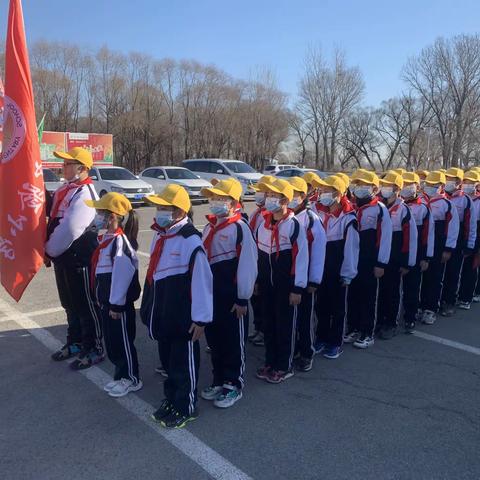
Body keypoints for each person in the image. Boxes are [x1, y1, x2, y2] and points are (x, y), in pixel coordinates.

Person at [141, 184, 213, 429]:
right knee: (169, 364)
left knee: (184, 364)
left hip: (184, 318)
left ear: (179, 212)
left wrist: (201, 319)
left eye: (164, 208)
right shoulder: (161, 235)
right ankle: (171, 399)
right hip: (164, 315)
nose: (159, 211)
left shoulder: (190, 240)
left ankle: (186, 405)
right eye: (158, 207)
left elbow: (202, 279)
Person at [200, 178, 258, 408]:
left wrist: (242, 297)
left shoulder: (239, 228)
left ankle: (233, 383)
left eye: (221, 199)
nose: (215, 202)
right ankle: (218, 379)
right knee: (215, 340)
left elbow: (247, 265)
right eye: (213, 198)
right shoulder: (209, 226)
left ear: (234, 203)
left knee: (233, 341)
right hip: (211, 296)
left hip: (232, 298)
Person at [46, 147, 104, 370]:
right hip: (64, 259)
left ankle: (95, 347)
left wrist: (49, 249)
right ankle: (75, 342)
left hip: (80, 259)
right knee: (69, 304)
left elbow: (70, 229)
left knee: (86, 306)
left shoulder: (85, 194)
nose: (63, 166)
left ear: (82, 168)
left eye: (68, 163)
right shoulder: (66, 190)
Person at [86, 192, 142, 397]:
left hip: (118, 306)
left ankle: (131, 378)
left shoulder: (120, 242)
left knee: (123, 341)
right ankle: (120, 375)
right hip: (107, 304)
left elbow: (123, 275)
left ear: (112, 217)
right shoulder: (107, 240)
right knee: (113, 341)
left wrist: (117, 305)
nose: (96, 216)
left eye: (100, 212)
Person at [255, 178, 308, 383]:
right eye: (268, 195)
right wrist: (258, 281)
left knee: (284, 325)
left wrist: (297, 287)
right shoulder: (264, 225)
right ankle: (270, 361)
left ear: (286, 200)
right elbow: (260, 256)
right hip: (267, 285)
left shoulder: (294, 226)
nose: (269, 199)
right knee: (269, 324)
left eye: (274, 196)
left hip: (286, 286)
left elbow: (301, 258)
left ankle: (284, 365)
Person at [312, 175, 359, 358]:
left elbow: (351, 249)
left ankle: (335, 342)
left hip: (337, 269)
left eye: (327, 191)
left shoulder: (348, 218)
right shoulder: (318, 211)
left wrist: (347, 273)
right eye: (322, 191)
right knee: (321, 306)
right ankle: (321, 337)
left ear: (339, 194)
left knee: (337, 308)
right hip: (320, 268)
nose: (323, 194)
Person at [345, 170, 392, 348]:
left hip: (370, 261)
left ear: (374, 188)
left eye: (364, 185)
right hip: (353, 260)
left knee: (368, 297)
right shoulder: (353, 207)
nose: (360, 189)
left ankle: (367, 332)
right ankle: (354, 327)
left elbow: (385, 238)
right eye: (357, 185)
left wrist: (381, 263)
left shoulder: (380, 209)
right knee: (354, 295)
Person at [288, 176, 326, 371]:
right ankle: (293, 348)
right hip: (289, 277)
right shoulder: (287, 216)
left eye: (294, 194)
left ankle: (306, 352)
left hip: (305, 279)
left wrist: (314, 280)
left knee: (304, 318)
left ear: (303, 196)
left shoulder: (311, 219)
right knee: (291, 318)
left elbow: (318, 251)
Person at [376, 171, 417, 339]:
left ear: (397, 189)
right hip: (380, 257)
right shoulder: (379, 206)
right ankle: (379, 320)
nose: (384, 189)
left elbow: (410, 238)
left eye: (388, 186)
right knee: (381, 291)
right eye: (383, 185)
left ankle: (391, 322)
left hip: (395, 259)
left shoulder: (403, 210)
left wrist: (407, 263)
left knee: (392, 291)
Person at [420, 171, 459, 325]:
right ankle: (421, 305)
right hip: (423, 246)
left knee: (435, 277)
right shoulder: (421, 201)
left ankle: (431, 308)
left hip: (438, 246)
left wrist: (448, 249)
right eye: (428, 184)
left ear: (441, 187)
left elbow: (453, 228)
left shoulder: (447, 204)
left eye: (433, 185)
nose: (429, 187)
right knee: (421, 278)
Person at [400, 172, 434, 333]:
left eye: (410, 184)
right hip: (398, 253)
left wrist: (426, 257)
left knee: (412, 287)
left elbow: (428, 233)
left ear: (417, 187)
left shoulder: (423, 208)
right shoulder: (396, 207)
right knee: (393, 288)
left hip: (416, 253)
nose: (407, 187)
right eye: (404, 183)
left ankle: (410, 317)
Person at [440, 168, 477, 316]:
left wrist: (469, 245)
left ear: (458, 182)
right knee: (438, 274)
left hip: (459, 242)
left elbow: (471, 224)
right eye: (447, 178)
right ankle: (436, 300)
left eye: (452, 179)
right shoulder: (441, 197)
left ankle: (449, 301)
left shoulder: (465, 200)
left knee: (453, 273)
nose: (449, 182)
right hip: (442, 240)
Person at [248, 175, 275, 347]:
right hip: (254, 259)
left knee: (265, 299)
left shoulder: (270, 215)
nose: (259, 194)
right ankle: (258, 327)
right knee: (255, 298)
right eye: (258, 191)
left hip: (264, 260)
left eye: (263, 191)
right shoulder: (256, 212)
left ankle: (265, 331)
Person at [457, 170, 480, 309]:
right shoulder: (460, 199)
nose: (467, 185)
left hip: (476, 235)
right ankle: (459, 294)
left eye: (471, 183)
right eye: (465, 182)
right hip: (463, 235)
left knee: (471, 267)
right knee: (461, 266)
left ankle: (467, 296)